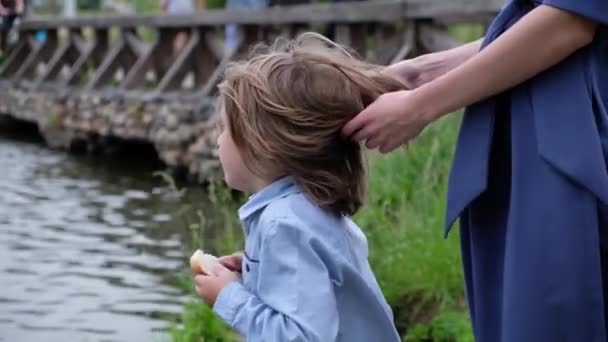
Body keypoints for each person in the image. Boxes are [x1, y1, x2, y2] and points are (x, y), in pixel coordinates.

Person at [343, 0, 608, 341]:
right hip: (532, 143)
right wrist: (420, 72)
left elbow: (570, 22)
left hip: (570, 143)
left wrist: (422, 105)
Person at [193, 33, 403, 342]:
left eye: (225, 129)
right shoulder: (305, 209)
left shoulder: (284, 225)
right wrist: (255, 271)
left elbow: (300, 337)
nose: (218, 141)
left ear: (261, 144)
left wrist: (228, 297)